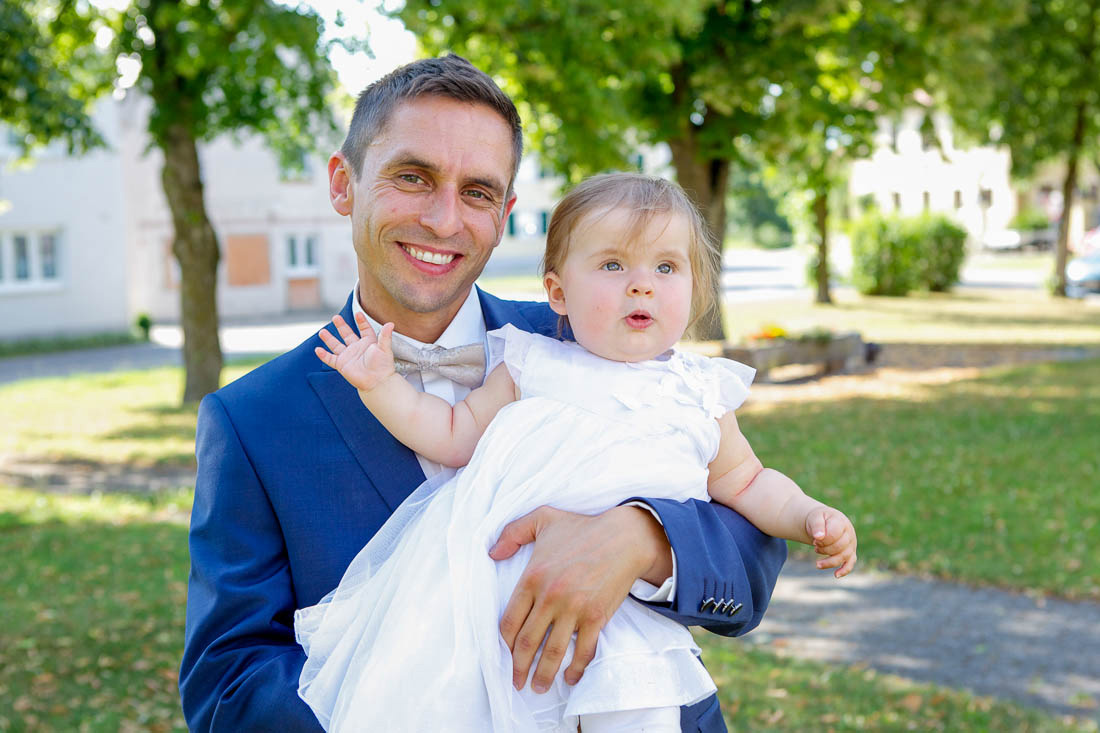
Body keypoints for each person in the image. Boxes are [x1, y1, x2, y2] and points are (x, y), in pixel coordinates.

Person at [179, 54, 788, 733]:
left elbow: (750, 544)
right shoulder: (251, 420)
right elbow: (227, 682)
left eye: (477, 191)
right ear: (343, 184)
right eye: (413, 177)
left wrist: (641, 540)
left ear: (505, 213)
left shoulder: (593, 333)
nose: (445, 219)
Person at [295, 172, 857, 732]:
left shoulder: (702, 395)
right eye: (613, 265)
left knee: (639, 707)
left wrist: (810, 515)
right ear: (558, 292)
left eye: (666, 267)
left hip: (630, 621)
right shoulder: (530, 365)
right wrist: (380, 386)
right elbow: (448, 432)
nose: (642, 285)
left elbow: (748, 483)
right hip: (494, 613)